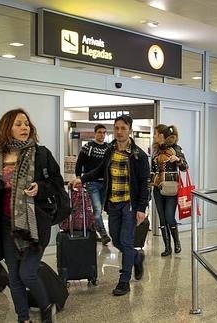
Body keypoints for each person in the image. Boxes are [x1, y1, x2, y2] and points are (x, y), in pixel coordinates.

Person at [0, 108, 63, 323]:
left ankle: (46, 307)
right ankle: (23, 318)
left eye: (26, 123)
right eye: (18, 124)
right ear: (7, 127)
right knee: (14, 277)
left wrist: (40, 188)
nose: (24, 127)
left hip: (34, 223)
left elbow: (56, 182)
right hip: (6, 224)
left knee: (28, 273)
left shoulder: (41, 153)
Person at [72, 114, 150, 296]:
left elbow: (145, 182)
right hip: (113, 203)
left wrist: (141, 208)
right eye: (116, 128)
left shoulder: (138, 155)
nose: (119, 132)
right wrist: (81, 179)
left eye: (123, 128)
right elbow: (99, 171)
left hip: (129, 204)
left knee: (127, 240)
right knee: (116, 239)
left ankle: (124, 281)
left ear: (130, 130)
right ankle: (137, 257)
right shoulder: (110, 150)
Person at [151, 124, 188, 256]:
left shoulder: (175, 149)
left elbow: (185, 167)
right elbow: (152, 170)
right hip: (157, 188)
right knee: (162, 218)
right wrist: (149, 183)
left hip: (171, 188)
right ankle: (167, 247)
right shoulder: (155, 150)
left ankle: (176, 242)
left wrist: (178, 160)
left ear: (161, 135)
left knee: (169, 216)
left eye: (155, 134)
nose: (154, 136)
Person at [75, 124, 111, 245]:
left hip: (105, 183)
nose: (102, 135)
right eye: (100, 132)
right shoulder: (88, 147)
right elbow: (79, 164)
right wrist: (79, 178)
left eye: (104, 133)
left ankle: (93, 229)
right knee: (97, 209)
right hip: (92, 183)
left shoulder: (108, 148)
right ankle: (104, 234)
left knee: (100, 210)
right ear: (95, 133)